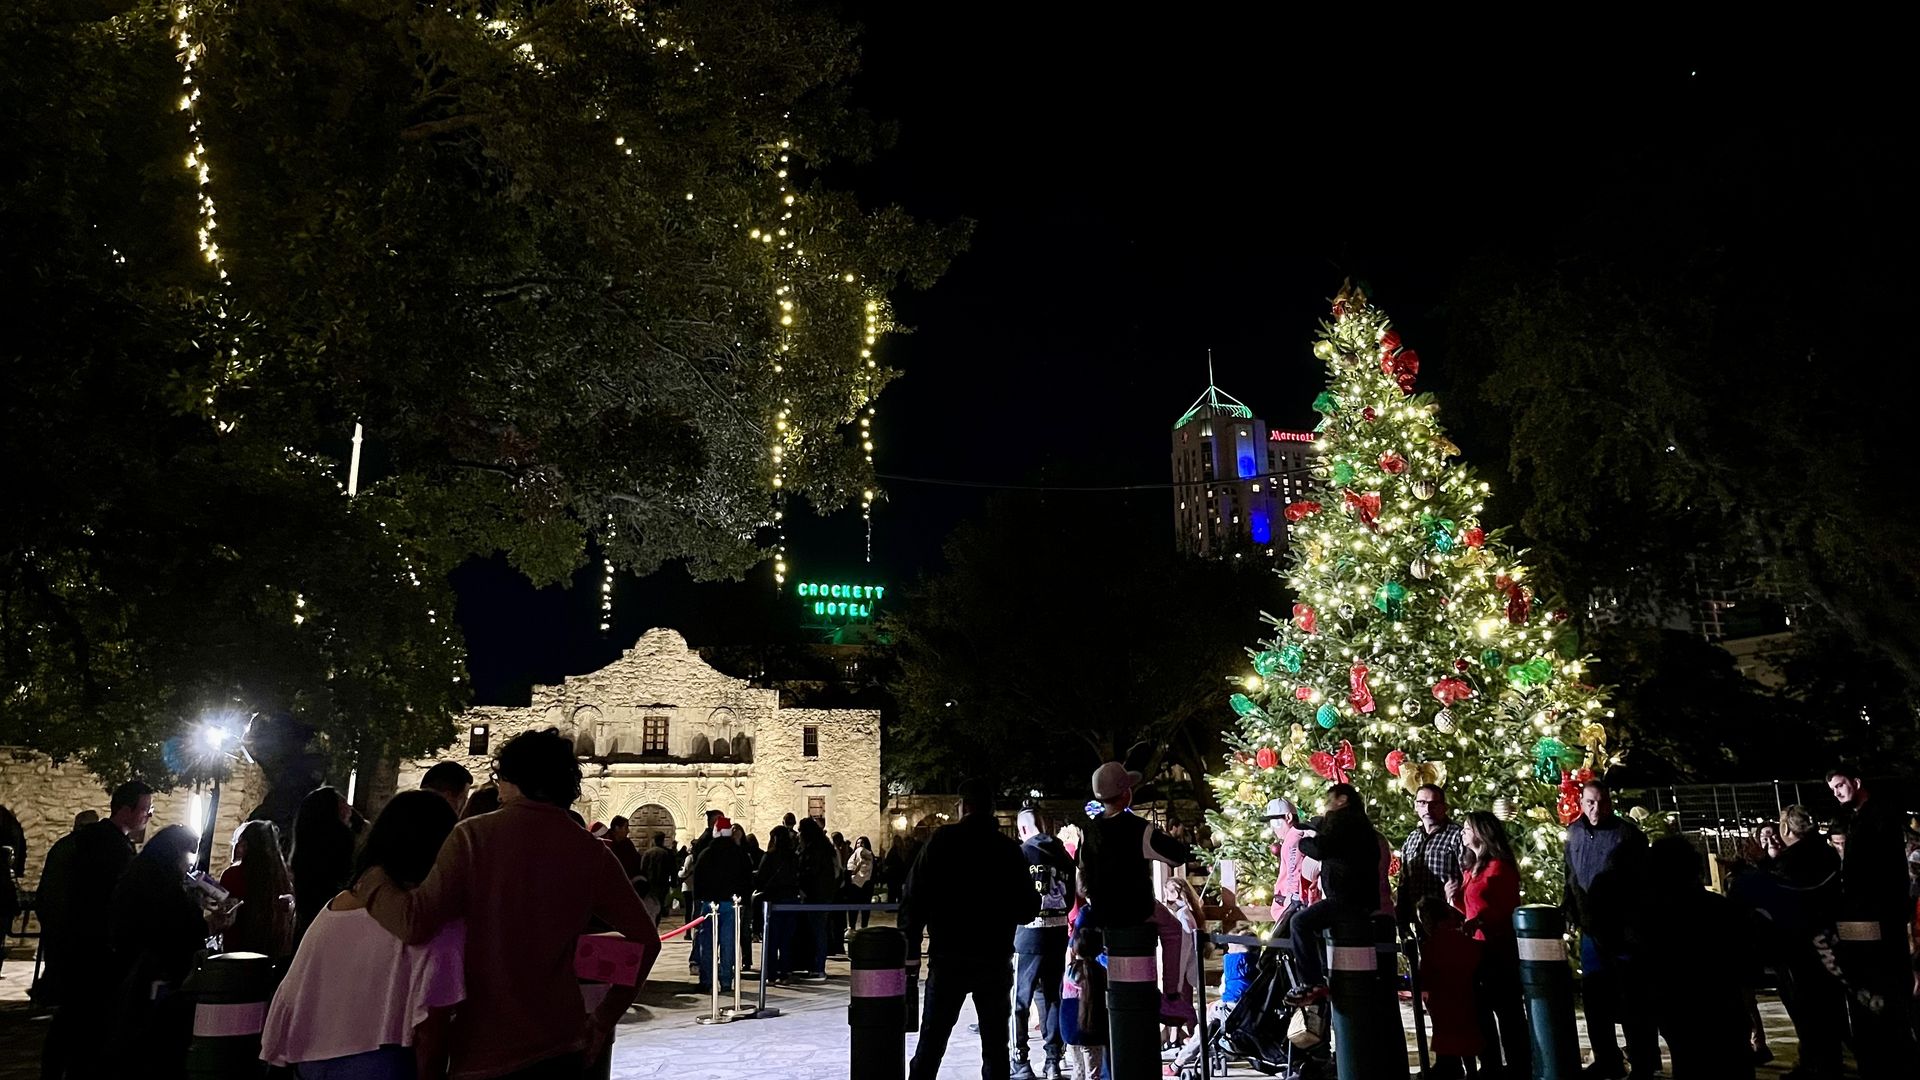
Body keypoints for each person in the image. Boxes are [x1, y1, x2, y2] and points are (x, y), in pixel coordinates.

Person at [354, 728, 661, 1079]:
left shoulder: (473, 836)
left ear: (516, 778)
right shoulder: (592, 851)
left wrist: (370, 880)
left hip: (483, 1047)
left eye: (500, 778)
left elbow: (414, 922)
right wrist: (605, 1018)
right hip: (561, 1043)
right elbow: (646, 940)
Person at [262, 790, 466, 1079]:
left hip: (310, 1063)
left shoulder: (333, 909)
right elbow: (431, 1030)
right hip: (385, 1064)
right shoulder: (433, 922)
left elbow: (292, 994)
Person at [901, 779, 1040, 1080]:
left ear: (963, 807)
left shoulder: (941, 841)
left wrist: (911, 950)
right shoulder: (1007, 850)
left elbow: (913, 898)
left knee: (931, 1045)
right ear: (991, 810)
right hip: (993, 956)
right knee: (995, 1050)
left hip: (948, 954)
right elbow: (1027, 908)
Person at [39, 780, 152, 1080]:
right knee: (85, 1022)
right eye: (145, 809)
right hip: (95, 951)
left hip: (78, 947)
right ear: (126, 810)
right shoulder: (111, 848)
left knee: (70, 1018)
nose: (148, 816)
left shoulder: (90, 840)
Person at [1633, 836, 1757, 1079]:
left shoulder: (1651, 916)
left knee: (1689, 1062)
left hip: (1679, 1010)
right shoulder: (1720, 909)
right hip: (1723, 1007)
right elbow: (1743, 961)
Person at [1825, 766, 1919, 1077]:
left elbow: (1879, 874)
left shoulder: (1875, 818)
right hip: (1871, 917)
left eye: (1840, 785)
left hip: (1872, 917)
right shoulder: (1866, 818)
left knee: (1878, 992)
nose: (1837, 792)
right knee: (1877, 994)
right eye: (1833, 789)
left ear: (1856, 782)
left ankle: (1886, 1057)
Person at [1563, 779, 1657, 1079]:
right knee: (1595, 999)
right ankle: (1607, 1058)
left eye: (1601, 802)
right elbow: (1571, 874)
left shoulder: (1627, 836)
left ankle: (1643, 1061)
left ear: (1610, 803)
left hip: (1622, 930)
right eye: (1590, 802)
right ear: (1581, 803)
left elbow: (1643, 885)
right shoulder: (1575, 832)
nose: (1596, 808)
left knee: (1632, 1000)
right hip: (1590, 929)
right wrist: (1570, 908)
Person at [104, 824, 209, 1078]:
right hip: (155, 977)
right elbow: (178, 928)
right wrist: (205, 919)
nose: (189, 864)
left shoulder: (140, 875)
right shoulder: (164, 886)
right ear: (177, 853)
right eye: (189, 855)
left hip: (132, 970)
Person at [1285, 783, 1384, 1000]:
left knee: (1299, 922)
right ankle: (1322, 977)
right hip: (1359, 898)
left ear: (1342, 799)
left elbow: (1321, 848)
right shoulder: (1359, 823)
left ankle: (1312, 982)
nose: (1327, 804)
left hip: (1346, 898)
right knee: (1318, 929)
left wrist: (1302, 843)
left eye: (1331, 799)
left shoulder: (1342, 820)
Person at [1457, 810, 1528, 1078]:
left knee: (1507, 1009)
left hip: (1498, 946)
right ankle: (1491, 1064)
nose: (1462, 832)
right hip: (1476, 948)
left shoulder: (1498, 866)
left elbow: (1505, 905)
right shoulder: (1471, 866)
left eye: (1467, 828)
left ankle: (1519, 1063)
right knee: (1480, 1009)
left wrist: (1482, 921)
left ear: (1481, 832)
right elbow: (1469, 907)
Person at [1011, 808, 1074, 1080]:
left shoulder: (1021, 854)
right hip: (1057, 932)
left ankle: (1020, 1060)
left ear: (1023, 830)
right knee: (1052, 996)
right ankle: (1052, 1062)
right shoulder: (1062, 854)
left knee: (1020, 1000)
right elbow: (1070, 897)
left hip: (1027, 934)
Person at [1416, 896, 1483, 1079]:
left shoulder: (1432, 945)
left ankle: (1449, 1068)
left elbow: (1426, 976)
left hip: (1443, 1001)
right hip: (1465, 997)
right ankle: (1470, 1071)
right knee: (1466, 1041)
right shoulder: (1462, 940)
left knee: (1447, 1038)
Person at [689, 816, 751, 993]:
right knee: (728, 943)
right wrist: (743, 899)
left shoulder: (706, 853)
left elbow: (698, 879)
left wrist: (699, 900)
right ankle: (726, 982)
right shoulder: (739, 854)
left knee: (707, 943)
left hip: (710, 904)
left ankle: (707, 980)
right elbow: (747, 879)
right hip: (731, 904)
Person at [291, 786, 356, 945]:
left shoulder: (304, 846)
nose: (349, 808)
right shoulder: (343, 841)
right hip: (337, 922)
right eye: (343, 803)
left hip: (309, 924)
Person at [223, 819, 295, 958]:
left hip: (236, 953)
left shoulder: (233, 875)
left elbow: (226, 916)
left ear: (243, 845)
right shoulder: (283, 878)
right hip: (274, 952)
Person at [1399, 784, 1465, 927]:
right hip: (1417, 919)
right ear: (1415, 806)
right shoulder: (1412, 839)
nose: (1427, 809)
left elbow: (1470, 874)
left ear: (1444, 807)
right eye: (1422, 803)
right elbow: (1403, 882)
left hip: (1448, 919)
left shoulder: (1457, 836)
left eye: (1433, 804)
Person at [754, 825, 802, 982]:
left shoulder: (770, 856)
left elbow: (761, 879)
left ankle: (771, 974)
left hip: (773, 901)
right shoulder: (794, 857)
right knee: (787, 939)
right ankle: (786, 972)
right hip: (791, 900)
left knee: (772, 939)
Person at [795, 815, 839, 979]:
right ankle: (815, 965)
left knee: (818, 931)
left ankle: (818, 967)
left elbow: (810, 873)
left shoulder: (814, 850)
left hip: (815, 896)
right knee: (818, 930)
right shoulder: (824, 847)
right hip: (823, 895)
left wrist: (802, 884)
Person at [637, 832, 674, 920]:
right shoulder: (667, 853)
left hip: (649, 885)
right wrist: (673, 882)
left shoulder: (647, 853)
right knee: (660, 905)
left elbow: (642, 869)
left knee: (650, 907)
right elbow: (673, 869)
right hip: (663, 884)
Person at [604, 816, 644, 889]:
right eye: (626, 827)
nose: (628, 831)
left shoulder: (627, 843)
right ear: (617, 828)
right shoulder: (605, 843)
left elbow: (636, 861)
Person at [847, 836, 877, 929]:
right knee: (853, 908)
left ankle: (864, 928)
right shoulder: (854, 855)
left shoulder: (870, 856)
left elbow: (871, 870)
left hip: (867, 885)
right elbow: (851, 868)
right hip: (854, 885)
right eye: (858, 843)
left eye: (862, 843)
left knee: (865, 908)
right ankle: (852, 927)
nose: (860, 845)